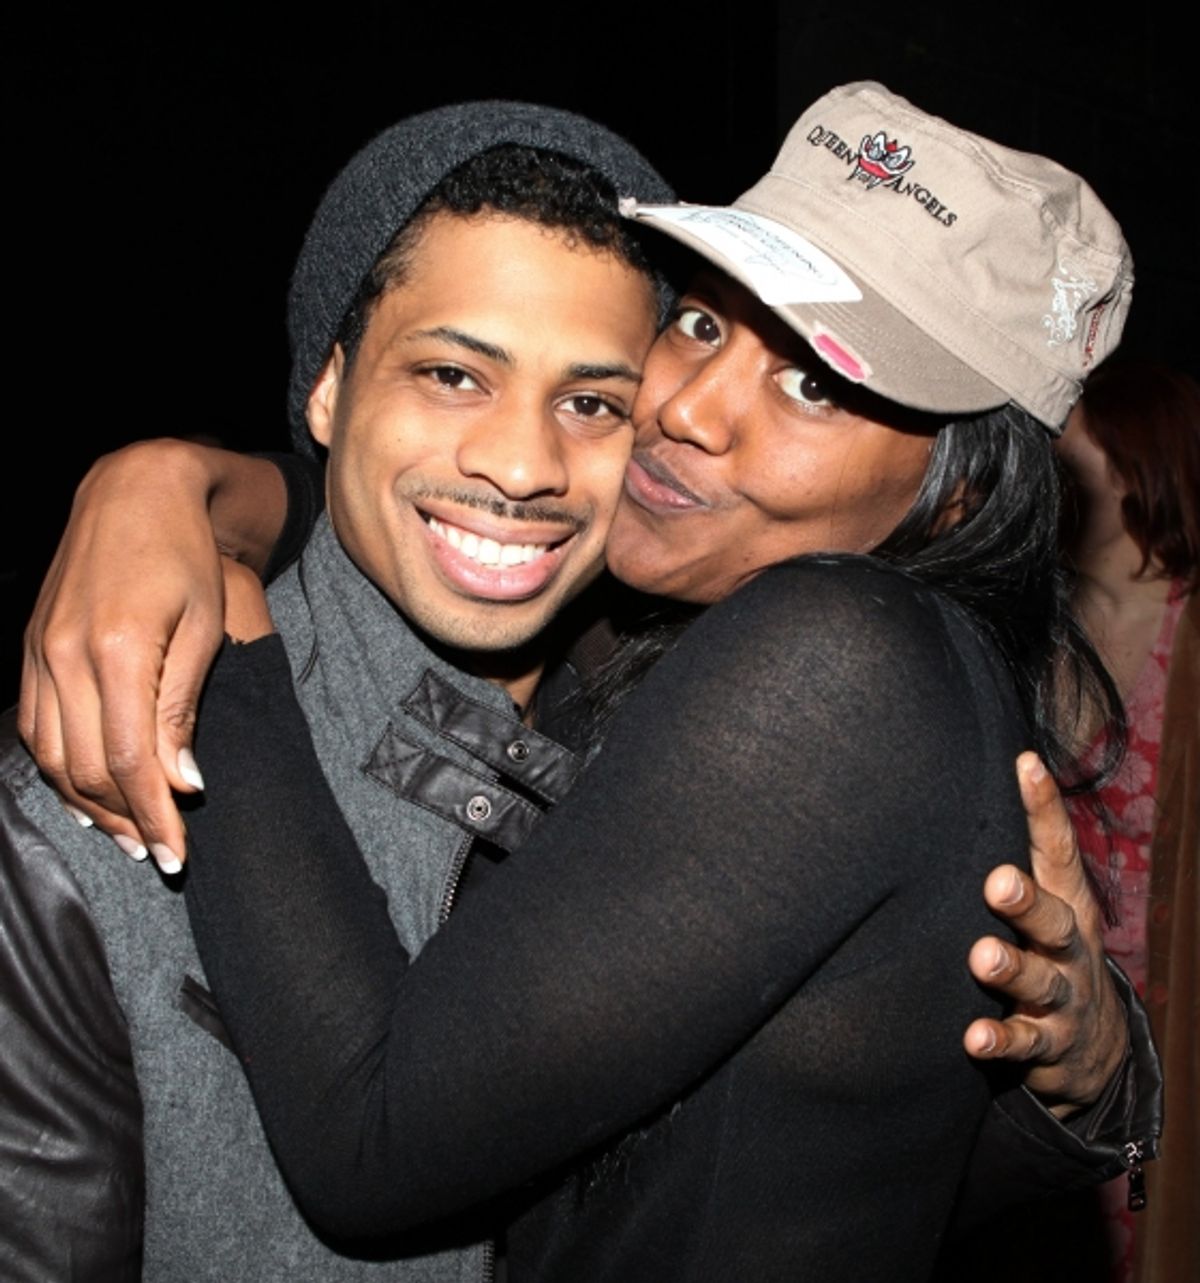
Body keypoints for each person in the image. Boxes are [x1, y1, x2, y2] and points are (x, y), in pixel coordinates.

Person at [6, 88, 1158, 1278]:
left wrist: (229, 637)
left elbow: (380, 1144)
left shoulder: (837, 656)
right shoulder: (648, 665)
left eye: (816, 381)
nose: (688, 411)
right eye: (706, 324)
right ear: (330, 390)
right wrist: (180, 485)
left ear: (957, 492)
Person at [0, 100, 678, 1282]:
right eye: (454, 373)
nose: (521, 463)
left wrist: (1076, 1093)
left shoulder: (695, 760)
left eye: (591, 402)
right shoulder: (107, 765)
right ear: (327, 393)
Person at [1057, 362, 1197, 1283]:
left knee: (1141, 1210)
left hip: (1165, 1011)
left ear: (1130, 448)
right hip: (1059, 996)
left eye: (1073, 419)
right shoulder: (1042, 615)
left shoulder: (1190, 628)